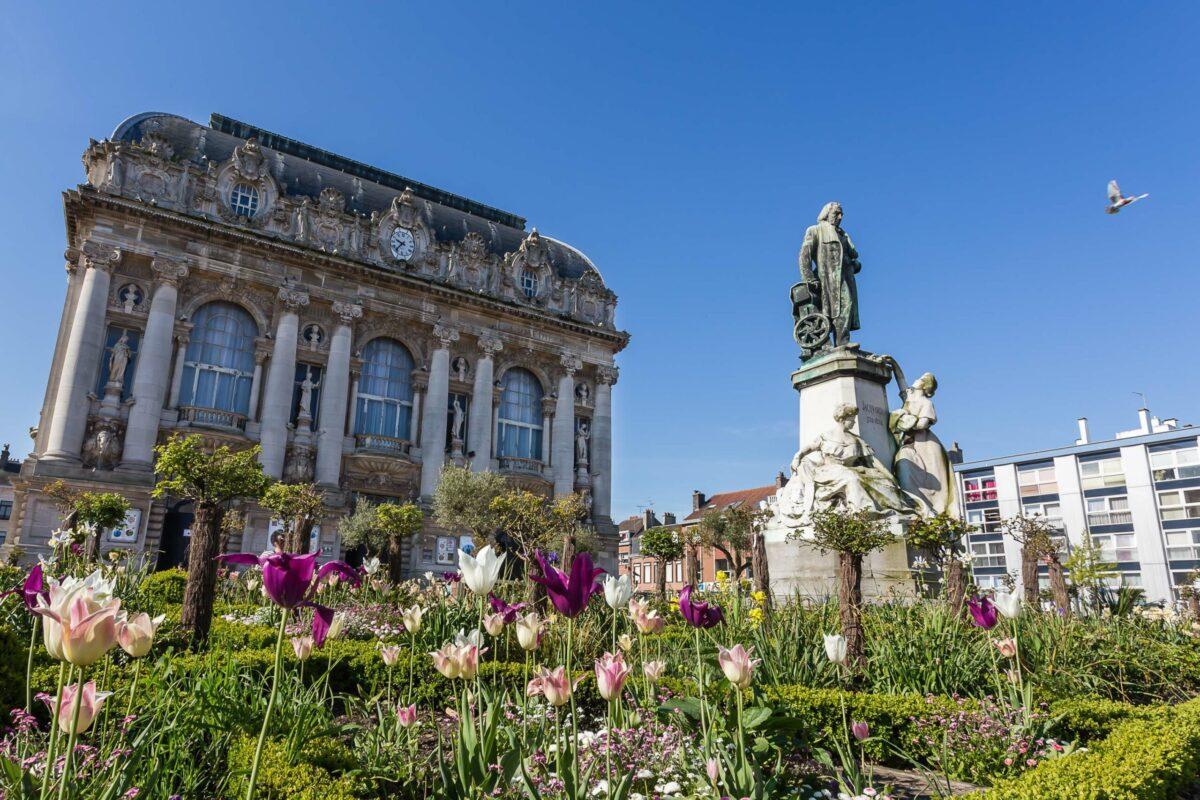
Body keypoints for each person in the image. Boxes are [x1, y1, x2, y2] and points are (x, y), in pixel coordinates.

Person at [791, 403, 911, 519]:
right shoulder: (827, 436)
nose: (854, 422)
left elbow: (872, 461)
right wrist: (797, 457)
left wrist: (889, 477)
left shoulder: (856, 440)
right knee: (851, 477)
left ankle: (897, 507)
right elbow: (809, 448)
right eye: (851, 419)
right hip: (829, 471)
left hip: (850, 469)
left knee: (882, 481)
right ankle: (864, 511)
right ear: (843, 419)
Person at [889, 371, 958, 517]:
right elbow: (901, 380)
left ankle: (931, 512)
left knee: (932, 482)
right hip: (909, 444)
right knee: (904, 469)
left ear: (924, 385)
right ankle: (918, 508)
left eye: (920, 378)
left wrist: (904, 420)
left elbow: (922, 424)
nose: (915, 379)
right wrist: (892, 363)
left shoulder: (926, 403)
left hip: (924, 445)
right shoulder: (909, 398)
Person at [798, 202, 862, 347]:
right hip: (827, 279)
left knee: (847, 307)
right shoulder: (816, 230)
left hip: (846, 277)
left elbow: (851, 256)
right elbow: (804, 256)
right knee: (836, 309)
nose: (840, 217)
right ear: (827, 214)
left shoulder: (843, 234)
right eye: (836, 213)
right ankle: (840, 343)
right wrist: (809, 278)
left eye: (841, 214)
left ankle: (842, 342)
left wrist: (854, 265)